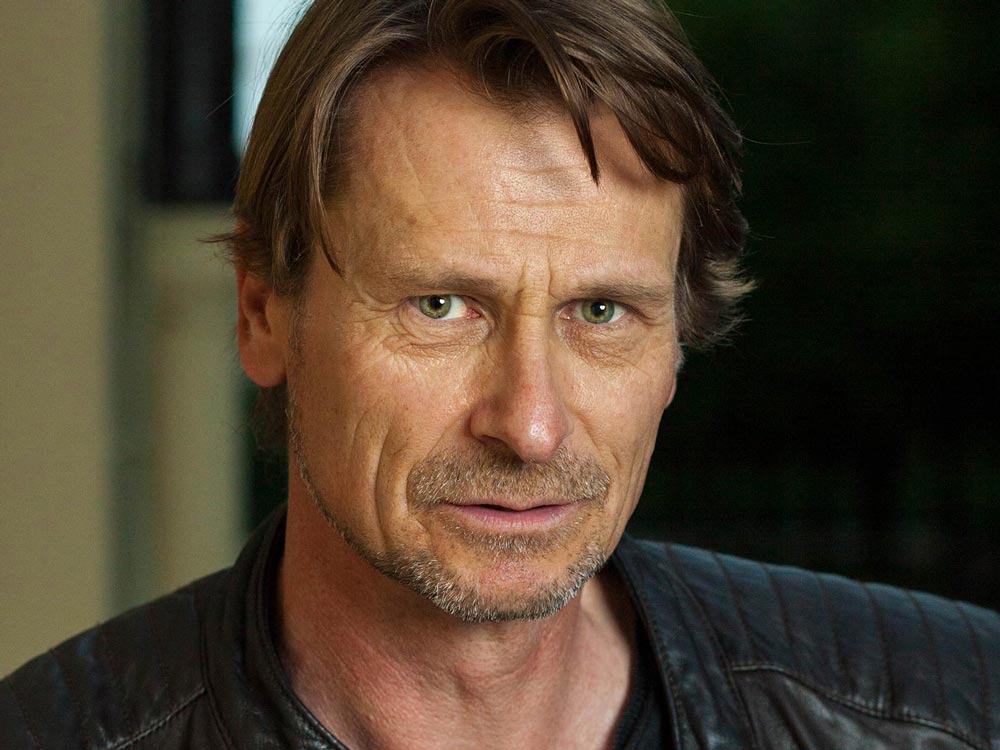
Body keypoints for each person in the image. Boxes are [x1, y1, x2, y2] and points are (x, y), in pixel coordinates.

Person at [2, 1, 998, 748]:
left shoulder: (957, 712)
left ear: (675, 343)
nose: (529, 425)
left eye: (600, 313)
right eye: (440, 306)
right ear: (263, 312)